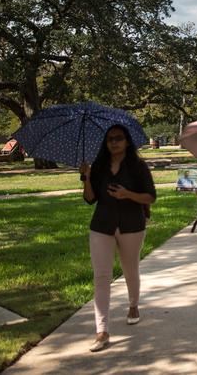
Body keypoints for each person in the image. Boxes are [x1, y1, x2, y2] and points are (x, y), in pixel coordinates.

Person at [80, 125, 156, 352]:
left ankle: (133, 306)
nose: (114, 142)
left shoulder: (137, 167)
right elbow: (90, 199)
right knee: (101, 276)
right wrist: (86, 177)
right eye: (110, 139)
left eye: (118, 138)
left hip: (131, 226)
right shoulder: (99, 167)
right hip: (101, 226)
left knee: (129, 269)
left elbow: (151, 197)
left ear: (127, 141)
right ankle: (102, 330)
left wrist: (127, 194)